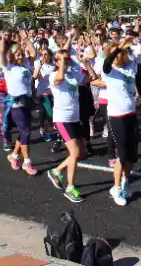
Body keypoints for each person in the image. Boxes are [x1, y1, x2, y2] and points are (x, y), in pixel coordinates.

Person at [47, 37, 93, 203]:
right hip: (62, 118)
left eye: (67, 59)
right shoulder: (54, 75)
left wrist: (85, 63)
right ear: (57, 61)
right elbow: (59, 78)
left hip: (74, 118)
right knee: (74, 153)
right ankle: (70, 188)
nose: (66, 61)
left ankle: (56, 171)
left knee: (81, 153)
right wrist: (60, 63)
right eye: (62, 59)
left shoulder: (74, 74)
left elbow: (92, 78)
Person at [100, 37, 140, 206]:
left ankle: (125, 181)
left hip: (131, 113)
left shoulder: (132, 66)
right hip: (116, 116)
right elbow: (106, 63)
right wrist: (119, 47)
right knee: (122, 154)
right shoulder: (109, 71)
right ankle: (116, 188)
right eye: (114, 54)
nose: (118, 56)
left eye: (120, 53)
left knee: (132, 155)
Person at [1, 38, 38, 175]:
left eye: (21, 53)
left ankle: (14, 155)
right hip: (16, 105)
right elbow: (2, 58)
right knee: (26, 131)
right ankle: (27, 162)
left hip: (27, 102)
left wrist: (27, 39)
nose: (21, 56)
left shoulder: (26, 64)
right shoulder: (9, 67)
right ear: (12, 56)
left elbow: (33, 52)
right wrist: (4, 44)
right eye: (17, 54)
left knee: (24, 131)